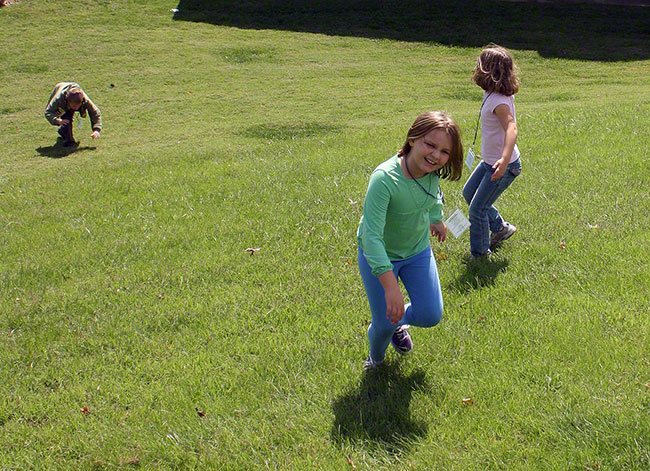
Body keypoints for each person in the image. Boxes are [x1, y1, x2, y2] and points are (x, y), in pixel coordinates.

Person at [357, 111, 463, 369]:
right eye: (430, 144)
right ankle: (376, 360)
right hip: (381, 256)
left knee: (430, 314)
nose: (436, 155)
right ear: (413, 139)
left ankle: (396, 321)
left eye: (444, 151)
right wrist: (390, 285)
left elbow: (433, 195)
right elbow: (371, 236)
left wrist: (436, 218)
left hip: (417, 252)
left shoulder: (432, 171)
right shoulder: (384, 179)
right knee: (384, 322)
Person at [463, 44, 522, 258]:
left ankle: (479, 254)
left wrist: (505, 161)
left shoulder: (499, 102)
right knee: (469, 194)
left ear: (489, 72)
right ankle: (500, 229)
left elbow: (511, 129)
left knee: (477, 210)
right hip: (490, 162)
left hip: (503, 166)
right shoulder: (494, 93)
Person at [45, 82, 102, 146]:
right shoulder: (59, 99)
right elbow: (48, 112)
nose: (76, 108)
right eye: (74, 106)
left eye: (78, 105)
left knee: (69, 115)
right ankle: (68, 140)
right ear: (68, 101)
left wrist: (96, 130)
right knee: (67, 118)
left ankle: (62, 131)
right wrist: (57, 120)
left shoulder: (84, 99)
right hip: (60, 88)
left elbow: (95, 112)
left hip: (72, 100)